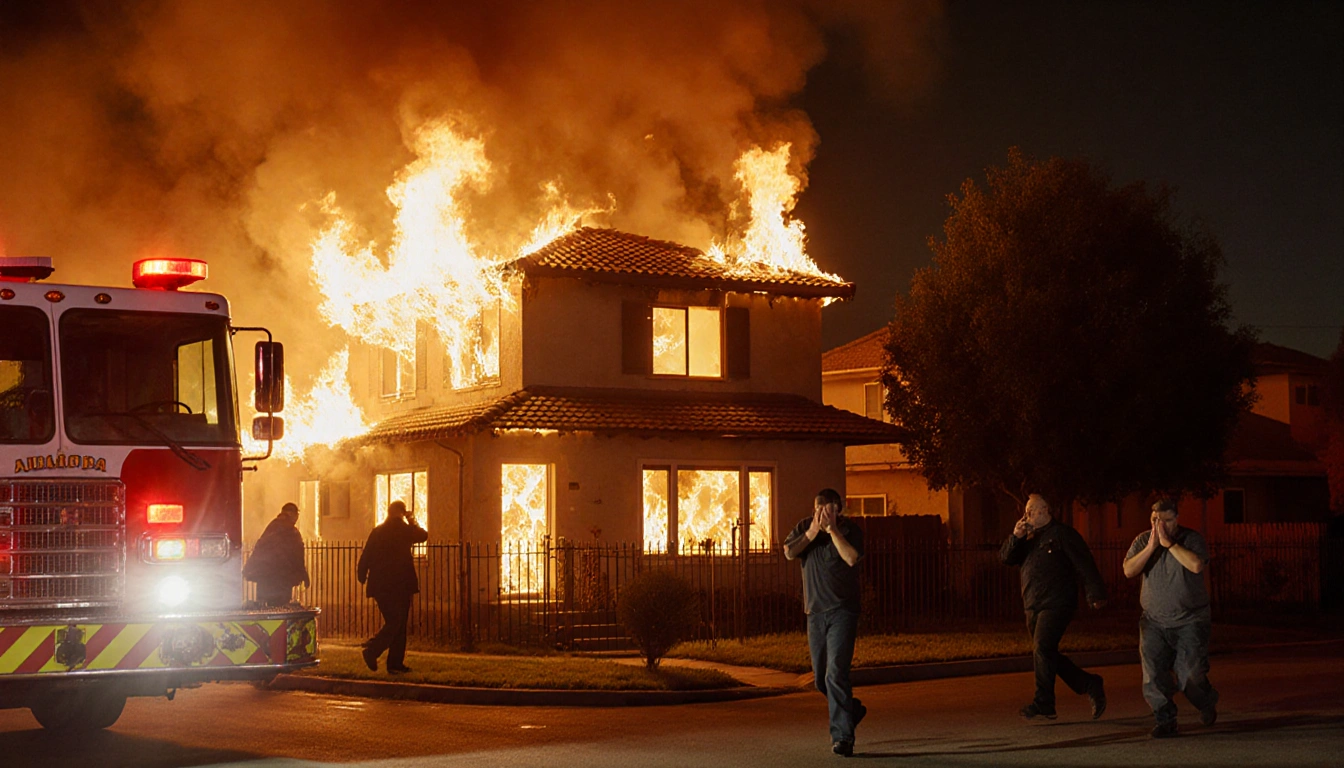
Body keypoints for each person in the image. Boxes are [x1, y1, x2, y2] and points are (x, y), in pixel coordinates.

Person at [1000, 494, 1108, 721]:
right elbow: (1006, 558)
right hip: (1033, 603)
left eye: (1032, 510)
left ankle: (1044, 702)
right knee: (1045, 653)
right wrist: (1015, 537)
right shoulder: (1027, 538)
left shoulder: (1062, 534)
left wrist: (1095, 593)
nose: (1027, 515)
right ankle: (1089, 683)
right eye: (1026, 511)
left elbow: (1084, 563)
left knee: (1042, 647)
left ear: (1045, 510)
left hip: (1057, 602)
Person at [1122, 498, 1218, 738]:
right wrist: (1151, 547)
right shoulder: (1143, 540)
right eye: (1155, 520)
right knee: (1153, 674)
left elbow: (1196, 565)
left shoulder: (1191, 539)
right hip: (1153, 620)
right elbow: (1129, 570)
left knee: (1190, 675)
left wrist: (1170, 544)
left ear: (1176, 519)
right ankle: (1165, 719)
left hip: (1190, 619)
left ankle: (1205, 701)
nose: (1160, 525)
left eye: (1166, 520)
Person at [783, 488, 866, 758]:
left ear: (837, 510)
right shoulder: (805, 528)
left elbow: (851, 558)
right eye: (817, 510)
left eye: (827, 510)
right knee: (820, 679)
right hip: (815, 614)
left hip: (842, 612)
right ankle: (851, 710)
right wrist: (812, 532)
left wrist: (832, 532)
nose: (821, 514)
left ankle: (843, 737)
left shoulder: (850, 531)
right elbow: (789, 552)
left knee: (835, 674)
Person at [357, 500, 428, 674]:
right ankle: (374, 651)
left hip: (380, 585)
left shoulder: (378, 531)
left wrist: (362, 574)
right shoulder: (404, 530)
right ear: (402, 513)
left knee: (395, 622)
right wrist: (412, 520)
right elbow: (423, 536)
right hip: (401, 584)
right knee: (398, 623)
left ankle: (394, 664)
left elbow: (366, 555)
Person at [243, 502, 309, 608]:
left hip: (265, 577)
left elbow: (260, 547)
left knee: (264, 608)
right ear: (292, 514)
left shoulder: (272, 526)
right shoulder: (291, 531)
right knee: (280, 608)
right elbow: (297, 555)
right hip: (283, 578)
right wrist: (303, 574)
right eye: (297, 515)